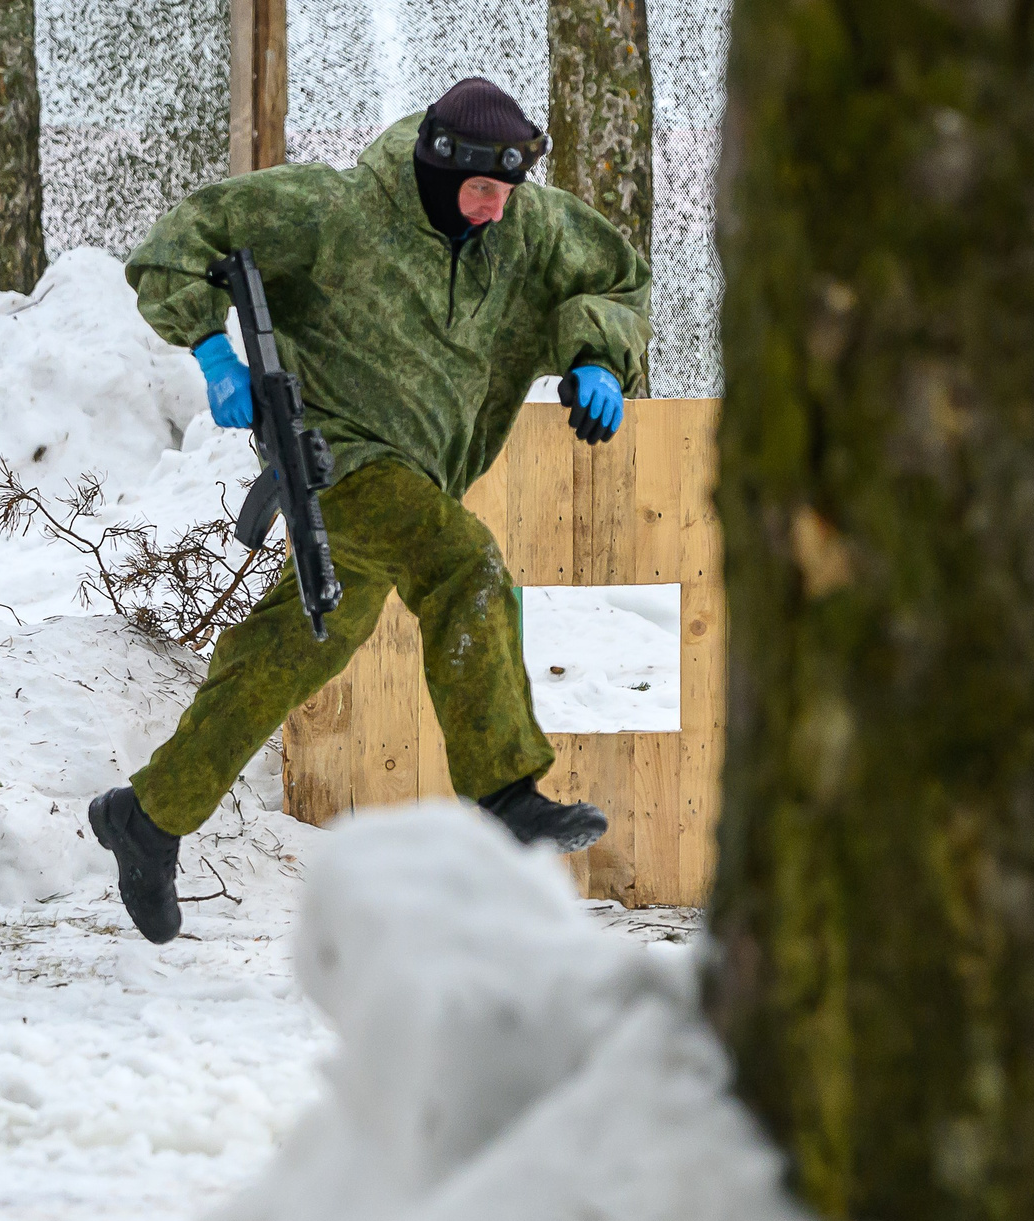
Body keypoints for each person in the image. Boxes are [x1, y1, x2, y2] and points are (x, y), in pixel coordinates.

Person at [88, 76, 649, 944]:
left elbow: (614, 279)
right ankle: (505, 793)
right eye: (481, 192)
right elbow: (176, 241)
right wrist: (210, 349)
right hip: (335, 458)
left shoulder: (522, 229)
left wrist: (599, 357)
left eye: (507, 193)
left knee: (293, 647)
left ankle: (149, 816)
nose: (497, 211)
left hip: (417, 478)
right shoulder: (332, 211)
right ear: (437, 168)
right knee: (464, 563)